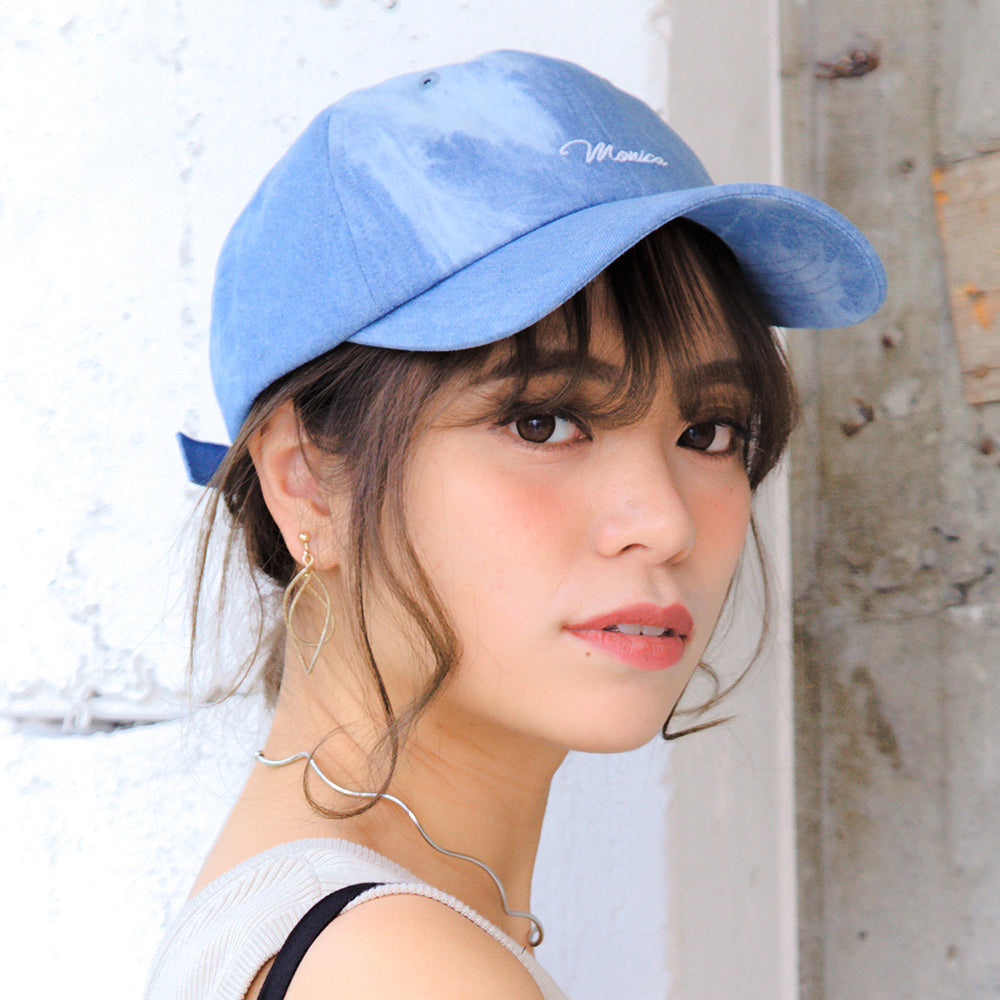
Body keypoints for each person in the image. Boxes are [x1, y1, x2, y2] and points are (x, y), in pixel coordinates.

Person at [144, 50, 885, 1000]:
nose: (664, 524)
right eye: (543, 423)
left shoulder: (312, 925)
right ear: (307, 483)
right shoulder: (397, 968)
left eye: (709, 432)